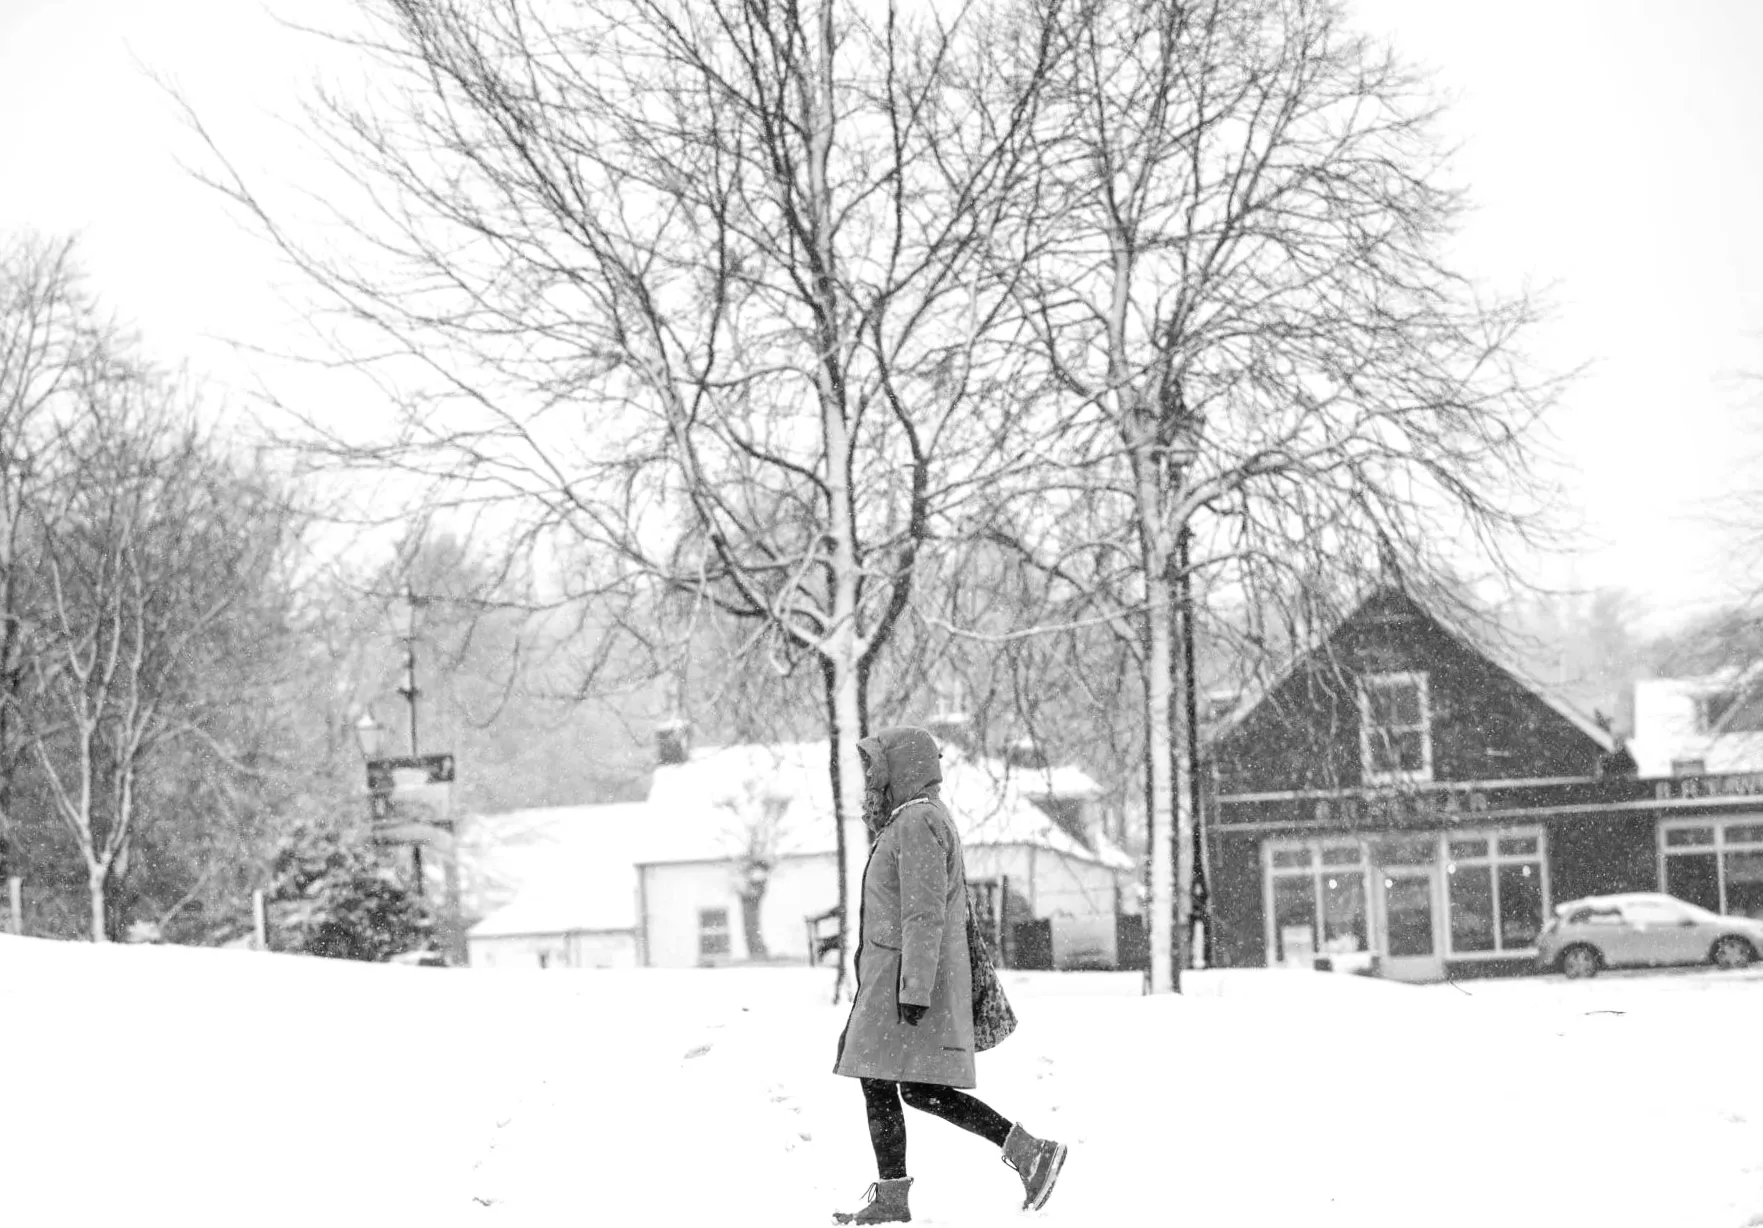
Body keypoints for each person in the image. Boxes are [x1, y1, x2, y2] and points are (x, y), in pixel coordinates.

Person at [831, 725, 1067, 1225]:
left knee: (884, 1079)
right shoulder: (912, 821)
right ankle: (1025, 1152)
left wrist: (913, 988)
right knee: (909, 1086)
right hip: (897, 979)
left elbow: (924, 913)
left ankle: (903, 1196)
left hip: (908, 982)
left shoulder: (917, 823)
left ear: (902, 770)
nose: (870, 782)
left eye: (876, 770)